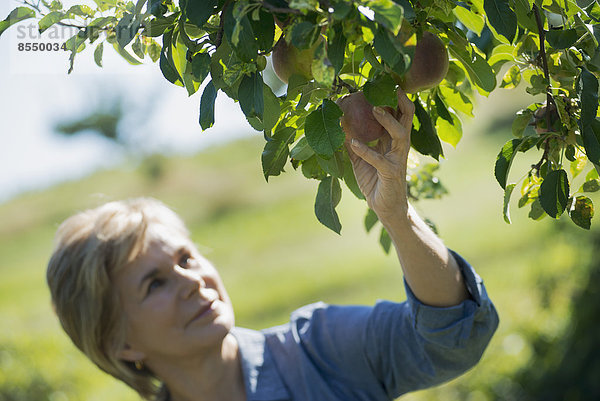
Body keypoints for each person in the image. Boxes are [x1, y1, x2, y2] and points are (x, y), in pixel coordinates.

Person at [46, 89, 499, 401]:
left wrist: (398, 219)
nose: (191, 281)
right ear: (120, 343)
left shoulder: (318, 351)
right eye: (154, 284)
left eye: (186, 257)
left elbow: (454, 340)